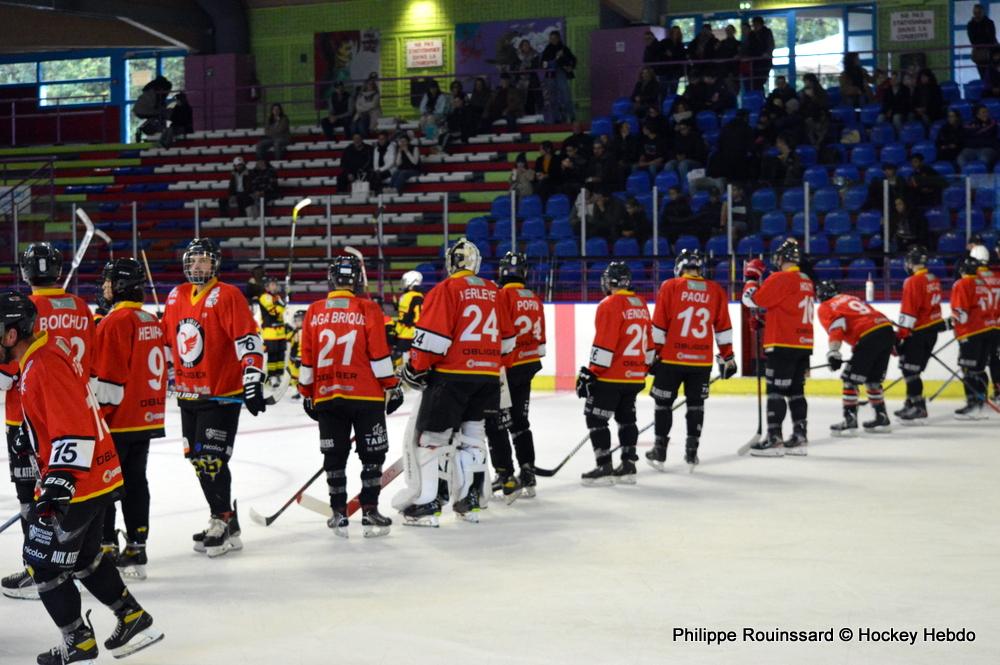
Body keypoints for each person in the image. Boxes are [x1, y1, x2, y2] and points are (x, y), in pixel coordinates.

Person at [0, 291, 164, 663]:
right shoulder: (48, 350)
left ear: (12, 334)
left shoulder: (42, 365)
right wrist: (33, 435)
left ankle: (78, 641)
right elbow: (67, 410)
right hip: (97, 476)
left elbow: (73, 430)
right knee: (85, 557)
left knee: (42, 563)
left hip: (79, 482)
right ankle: (133, 617)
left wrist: (58, 484)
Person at [395, 238, 514, 525]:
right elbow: (508, 344)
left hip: (451, 377)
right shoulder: (495, 292)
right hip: (487, 378)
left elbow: (432, 340)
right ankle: (470, 503)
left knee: (432, 440)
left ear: (451, 263)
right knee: (473, 437)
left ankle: (429, 503)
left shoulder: (446, 289)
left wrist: (415, 368)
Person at [1, 242, 95, 601]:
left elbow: (9, 372)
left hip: (28, 415)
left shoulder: (24, 307)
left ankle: (39, 567)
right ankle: (82, 560)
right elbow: (91, 362)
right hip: (76, 409)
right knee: (79, 490)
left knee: (34, 496)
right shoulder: (80, 306)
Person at [162, 238, 266, 557]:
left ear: (215, 264)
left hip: (222, 395)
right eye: (192, 260)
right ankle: (226, 520)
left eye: (203, 260)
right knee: (199, 462)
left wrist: (252, 378)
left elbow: (247, 338)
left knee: (211, 461)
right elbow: (167, 341)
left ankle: (221, 520)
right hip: (187, 395)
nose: (197, 266)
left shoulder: (228, 294)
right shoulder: (176, 295)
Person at [297, 255, 401, 537]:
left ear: (331, 280)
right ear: (357, 281)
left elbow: (307, 357)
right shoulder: (368, 308)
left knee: (334, 456)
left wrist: (306, 392)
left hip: (327, 395)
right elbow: (379, 354)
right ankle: (370, 511)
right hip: (366, 397)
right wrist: (392, 385)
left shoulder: (314, 310)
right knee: (372, 456)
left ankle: (338, 513)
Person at [92, 259, 166, 580]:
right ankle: (137, 546)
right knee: (136, 481)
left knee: (106, 485)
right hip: (146, 418)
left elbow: (109, 382)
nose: (104, 286)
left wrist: (96, 419)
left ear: (120, 284)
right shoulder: (150, 319)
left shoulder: (115, 321)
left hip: (118, 420)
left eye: (108, 280)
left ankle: (106, 547)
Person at [647, 249, 735, 470]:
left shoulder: (670, 286)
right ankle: (691, 453)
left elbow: (659, 326)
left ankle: (659, 451)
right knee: (696, 405)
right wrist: (728, 356)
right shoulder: (715, 290)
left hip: (671, 359)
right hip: (701, 361)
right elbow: (723, 328)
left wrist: (653, 355)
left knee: (663, 404)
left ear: (679, 268)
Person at [575, 262, 653, 485]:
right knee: (626, 419)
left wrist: (592, 372)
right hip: (635, 375)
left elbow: (605, 342)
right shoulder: (641, 303)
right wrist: (644, 368)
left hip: (611, 376)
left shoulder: (609, 304)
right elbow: (649, 343)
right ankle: (628, 466)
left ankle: (604, 467)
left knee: (595, 418)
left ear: (609, 282)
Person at [742, 238, 815, 455]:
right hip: (803, 344)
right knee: (796, 391)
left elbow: (751, 300)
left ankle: (774, 438)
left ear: (781, 259)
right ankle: (800, 437)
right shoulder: (806, 280)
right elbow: (788, 308)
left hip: (782, 344)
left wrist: (751, 278)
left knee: (775, 391)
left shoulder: (781, 278)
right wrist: (765, 320)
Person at [485, 252, 546, 501]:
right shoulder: (534, 298)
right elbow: (541, 344)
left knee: (496, 422)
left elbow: (498, 332)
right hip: (529, 364)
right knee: (521, 422)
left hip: (506, 366)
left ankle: (505, 474)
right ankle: (528, 472)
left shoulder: (499, 296)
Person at [815, 281, 895, 436]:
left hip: (869, 336)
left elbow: (837, 327)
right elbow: (874, 315)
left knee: (850, 380)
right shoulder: (851, 298)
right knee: (873, 380)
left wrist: (834, 352)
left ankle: (850, 420)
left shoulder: (826, 306)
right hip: (886, 331)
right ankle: (882, 417)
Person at [894, 245, 945, 423]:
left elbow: (909, 311)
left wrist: (901, 335)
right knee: (911, 369)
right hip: (931, 332)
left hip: (917, 332)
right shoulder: (933, 278)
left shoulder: (912, 281)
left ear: (911, 262)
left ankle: (918, 407)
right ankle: (910, 403)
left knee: (910, 370)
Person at [950, 256, 993, 419]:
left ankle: (972, 403)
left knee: (968, 369)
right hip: (987, 329)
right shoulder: (983, 283)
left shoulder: (962, 284)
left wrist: (953, 322)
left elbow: (962, 314)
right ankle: (982, 401)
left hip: (970, 332)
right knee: (979, 369)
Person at [540, 31, 576, 123]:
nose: (553, 40)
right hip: (550, 74)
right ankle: (556, 118)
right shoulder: (547, 49)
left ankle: (571, 116)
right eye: (551, 39)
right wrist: (554, 59)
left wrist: (570, 66)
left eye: (554, 38)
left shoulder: (564, 48)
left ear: (559, 38)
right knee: (552, 97)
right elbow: (543, 63)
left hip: (561, 73)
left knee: (566, 95)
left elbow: (573, 59)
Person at [257, 277, 287, 386]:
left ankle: (279, 374)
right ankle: (272, 376)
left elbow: (282, 309)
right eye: (272, 284)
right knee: (272, 355)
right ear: (267, 287)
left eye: (275, 284)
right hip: (270, 332)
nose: (275, 286)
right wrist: (281, 306)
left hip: (281, 332)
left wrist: (281, 305)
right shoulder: (265, 297)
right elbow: (274, 311)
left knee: (281, 355)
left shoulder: (277, 297)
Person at [393, 270, 424, 365]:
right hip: (418, 334)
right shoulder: (420, 296)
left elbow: (403, 318)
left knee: (400, 363)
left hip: (406, 334)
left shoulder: (406, 296)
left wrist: (396, 332)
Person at [958, 104, 998, 168]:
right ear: (977, 115)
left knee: (984, 159)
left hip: (987, 149)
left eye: (987, 112)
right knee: (961, 158)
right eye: (983, 112)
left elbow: (989, 138)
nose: (986, 114)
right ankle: (968, 174)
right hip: (971, 149)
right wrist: (980, 134)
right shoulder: (969, 124)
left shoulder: (993, 123)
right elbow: (967, 138)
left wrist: (975, 133)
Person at [969, 4, 998, 80]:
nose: (977, 14)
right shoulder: (971, 24)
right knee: (982, 74)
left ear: (983, 12)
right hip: (979, 53)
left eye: (979, 12)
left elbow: (991, 37)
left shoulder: (989, 23)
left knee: (994, 73)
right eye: (975, 12)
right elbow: (972, 39)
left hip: (991, 52)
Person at [747, 16, 775, 92]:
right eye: (754, 25)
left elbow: (771, 44)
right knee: (755, 82)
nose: (755, 26)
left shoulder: (767, 32)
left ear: (760, 24)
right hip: (754, 62)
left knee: (761, 80)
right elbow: (749, 47)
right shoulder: (751, 34)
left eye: (756, 24)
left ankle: (759, 95)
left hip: (764, 61)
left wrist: (767, 53)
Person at [288, 309, 304, 398]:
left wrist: (299, 357)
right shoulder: (296, 331)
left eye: (299, 320)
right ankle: (297, 390)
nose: (297, 322)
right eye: (296, 320)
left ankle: (300, 392)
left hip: (299, 359)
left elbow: (302, 346)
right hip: (294, 358)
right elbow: (290, 339)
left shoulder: (303, 332)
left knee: (300, 376)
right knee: (294, 375)